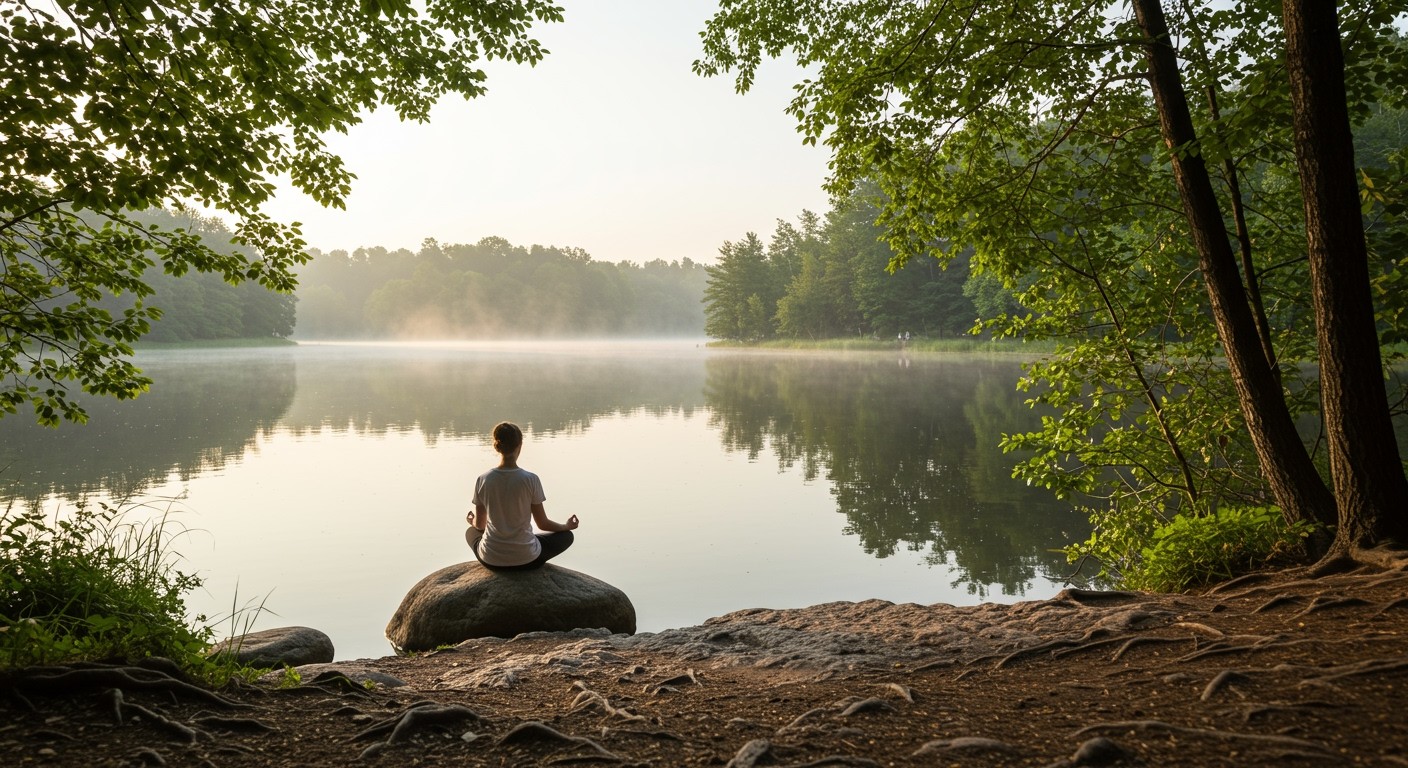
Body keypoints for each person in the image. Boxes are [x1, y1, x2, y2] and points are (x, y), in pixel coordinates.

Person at [465, 421, 579, 570]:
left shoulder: (483, 479)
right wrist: (566, 526)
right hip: (527, 559)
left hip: (491, 560)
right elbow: (542, 524)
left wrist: (472, 521)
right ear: (520, 445)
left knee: (471, 531)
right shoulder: (531, 479)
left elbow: (480, 525)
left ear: (496, 446)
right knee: (567, 536)